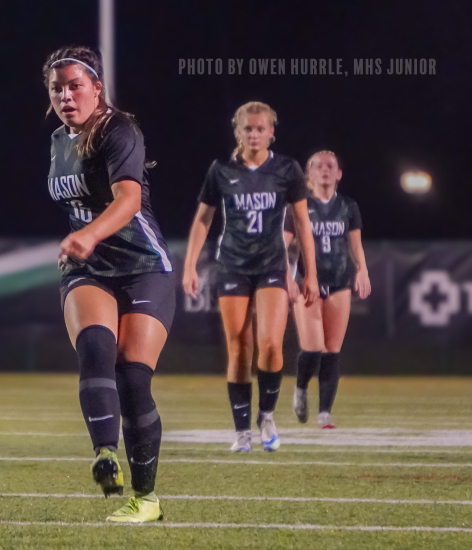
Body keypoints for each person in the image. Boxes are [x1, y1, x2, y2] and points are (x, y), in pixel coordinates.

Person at [44, 46, 174, 522]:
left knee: (134, 377)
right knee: (96, 347)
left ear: (97, 87)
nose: (66, 94)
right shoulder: (59, 140)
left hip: (143, 265)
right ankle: (105, 454)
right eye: (57, 87)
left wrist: (87, 233)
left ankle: (147, 499)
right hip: (89, 268)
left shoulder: (120, 130)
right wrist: (85, 244)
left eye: (75, 84)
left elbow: (130, 200)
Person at [182, 101, 319, 452]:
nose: (254, 134)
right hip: (231, 264)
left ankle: (267, 415)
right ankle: (242, 430)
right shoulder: (221, 169)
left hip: (272, 264)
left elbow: (303, 222)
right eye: (248, 128)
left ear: (272, 131)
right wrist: (190, 265)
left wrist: (309, 274)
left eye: (261, 128)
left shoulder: (287, 169)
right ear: (238, 131)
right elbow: (203, 219)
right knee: (238, 346)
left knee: (271, 345)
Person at [284, 151, 370, 429]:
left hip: (340, 281)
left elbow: (355, 245)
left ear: (339, 174)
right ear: (309, 175)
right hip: (307, 282)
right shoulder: (298, 206)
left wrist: (363, 270)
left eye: (330, 166)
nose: (324, 170)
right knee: (312, 348)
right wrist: (286, 273)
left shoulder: (348, 206)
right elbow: (283, 245)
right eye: (318, 166)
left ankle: (324, 414)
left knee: (332, 349)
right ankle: (300, 388)